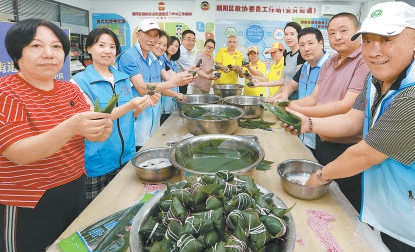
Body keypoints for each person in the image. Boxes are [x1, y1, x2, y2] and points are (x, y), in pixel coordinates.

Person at [285, 2, 415, 250]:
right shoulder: (374, 78)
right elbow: (352, 120)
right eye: (367, 41)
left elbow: (366, 153)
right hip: (385, 203)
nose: (374, 51)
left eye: (387, 39)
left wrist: (321, 176)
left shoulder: (412, 97)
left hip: (408, 218)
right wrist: (307, 124)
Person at [0, 18, 113, 251]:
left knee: (70, 246)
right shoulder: (7, 91)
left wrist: (100, 131)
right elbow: (19, 153)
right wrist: (71, 126)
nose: (49, 54)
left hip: (75, 187)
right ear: (16, 52)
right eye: (36, 46)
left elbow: (89, 133)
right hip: (29, 201)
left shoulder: (69, 88)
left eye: (56, 46)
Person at [284, 13, 369, 211]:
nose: (337, 36)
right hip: (322, 142)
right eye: (332, 32)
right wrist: (287, 107)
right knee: (324, 204)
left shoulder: (364, 61)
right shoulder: (330, 62)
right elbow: (314, 98)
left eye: (343, 31)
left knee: (346, 208)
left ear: (358, 32)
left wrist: (307, 120)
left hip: (347, 147)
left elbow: (347, 105)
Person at [71, 28, 158, 203]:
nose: (107, 50)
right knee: (94, 215)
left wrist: (143, 103)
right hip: (97, 164)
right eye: (101, 45)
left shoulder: (123, 78)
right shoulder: (78, 82)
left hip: (127, 158)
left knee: (125, 206)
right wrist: (131, 104)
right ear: (89, 48)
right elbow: (93, 121)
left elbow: (131, 115)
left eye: (112, 46)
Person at [116, 19, 194, 150]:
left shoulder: (154, 60)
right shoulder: (129, 57)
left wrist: (182, 78)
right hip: (136, 124)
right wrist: (174, 82)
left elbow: (160, 83)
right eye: (148, 34)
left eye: (155, 36)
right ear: (138, 34)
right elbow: (142, 88)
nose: (152, 40)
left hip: (152, 122)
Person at [266, 27, 331, 152]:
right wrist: (284, 96)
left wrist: (287, 106)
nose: (306, 48)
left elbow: (315, 99)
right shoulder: (305, 66)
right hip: (302, 131)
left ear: (321, 43)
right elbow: (290, 85)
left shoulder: (330, 66)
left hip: (320, 134)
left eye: (310, 43)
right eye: (302, 45)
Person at [254, 22, 304, 99]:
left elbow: (295, 84)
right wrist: (260, 84)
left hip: (296, 98)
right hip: (285, 95)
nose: (288, 37)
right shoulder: (287, 56)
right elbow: (283, 81)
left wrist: (275, 97)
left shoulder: (302, 55)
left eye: (292, 34)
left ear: (299, 35)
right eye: (286, 34)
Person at [154, 31, 186, 124]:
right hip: (164, 100)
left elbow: (175, 78)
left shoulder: (173, 62)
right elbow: (166, 81)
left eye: (176, 46)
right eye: (171, 44)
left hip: (172, 99)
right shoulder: (160, 60)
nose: (173, 47)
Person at [176, 29, 196, 94]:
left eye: (193, 40)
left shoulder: (187, 52)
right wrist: (208, 77)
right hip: (178, 84)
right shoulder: (182, 53)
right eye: (188, 39)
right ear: (181, 40)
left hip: (181, 83)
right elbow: (192, 69)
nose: (191, 42)